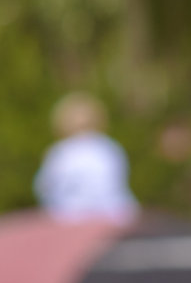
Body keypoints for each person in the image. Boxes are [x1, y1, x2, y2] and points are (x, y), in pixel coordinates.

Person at [33, 92, 139, 224]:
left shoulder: (60, 152)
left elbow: (44, 188)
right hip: (113, 214)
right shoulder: (109, 147)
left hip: (69, 216)